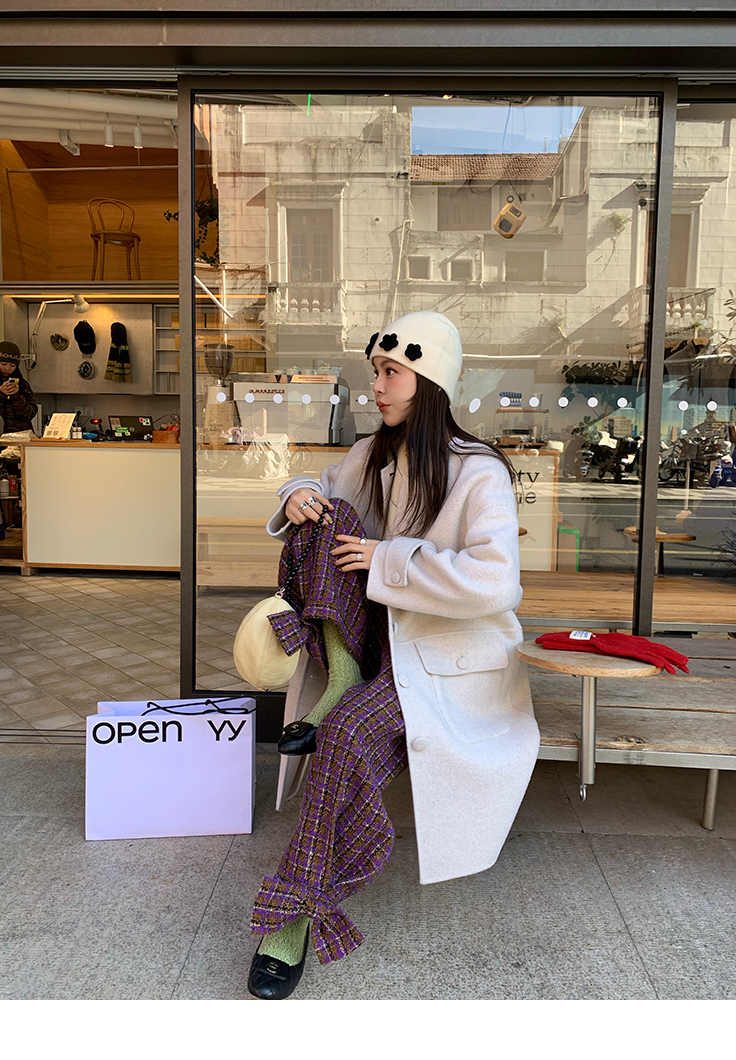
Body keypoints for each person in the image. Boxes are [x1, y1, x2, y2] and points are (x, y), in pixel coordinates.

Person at [247, 310, 540, 1000]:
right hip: (374, 645)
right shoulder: (370, 454)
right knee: (326, 518)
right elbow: (313, 487)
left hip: (444, 661)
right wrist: (297, 495)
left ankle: (294, 915)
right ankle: (341, 673)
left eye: (390, 373)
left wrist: (389, 559)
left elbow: (498, 583)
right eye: (375, 371)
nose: (375, 386)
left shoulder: (477, 472)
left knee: (346, 737)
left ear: (429, 381)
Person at [0, 341, 38, 435]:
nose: (7, 369)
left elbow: (30, 414)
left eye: (13, 366)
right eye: (3, 364)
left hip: (21, 436)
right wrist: (1, 394)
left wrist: (16, 396)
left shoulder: (23, 385)